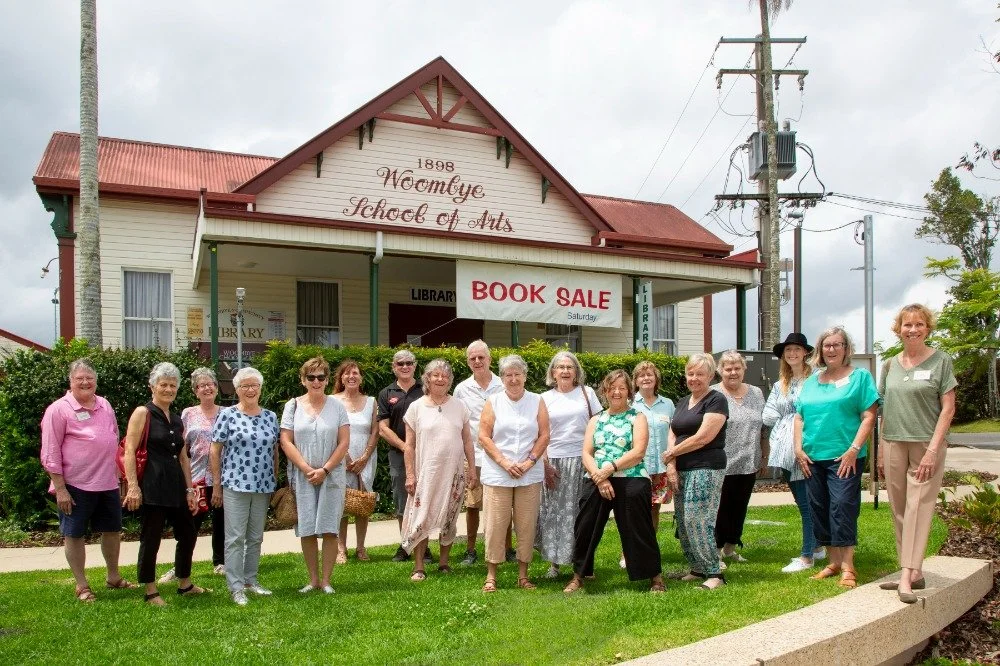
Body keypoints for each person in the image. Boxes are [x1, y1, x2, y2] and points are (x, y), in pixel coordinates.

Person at [877, 305, 957, 603]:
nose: (913, 329)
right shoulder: (889, 365)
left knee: (917, 508)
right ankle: (914, 573)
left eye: (919, 324)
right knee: (898, 508)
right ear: (898, 328)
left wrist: (933, 451)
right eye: (907, 324)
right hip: (894, 442)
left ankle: (907, 575)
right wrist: (881, 451)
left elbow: (948, 408)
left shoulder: (941, 361)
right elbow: (884, 409)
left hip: (926, 444)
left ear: (928, 328)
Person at [40, 358, 135, 602]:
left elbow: (114, 440)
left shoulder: (104, 404)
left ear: (96, 381)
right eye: (79, 378)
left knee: (112, 531)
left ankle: (113, 577)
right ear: (70, 382)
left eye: (89, 378)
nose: (85, 382)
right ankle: (81, 585)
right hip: (75, 485)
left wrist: (120, 476)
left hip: (107, 482)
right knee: (74, 534)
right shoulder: (58, 409)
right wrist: (60, 489)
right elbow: (50, 453)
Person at [563, 370, 666, 594]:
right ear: (605, 391)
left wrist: (611, 468)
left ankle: (655, 577)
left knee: (639, 527)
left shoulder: (637, 417)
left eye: (622, 387)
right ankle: (580, 574)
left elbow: (638, 452)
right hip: (598, 478)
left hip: (631, 476)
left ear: (629, 391)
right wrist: (600, 478)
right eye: (612, 388)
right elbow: (587, 453)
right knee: (585, 526)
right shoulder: (596, 419)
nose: (616, 392)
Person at [795, 326, 879, 590]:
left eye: (837, 344)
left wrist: (854, 449)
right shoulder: (811, 381)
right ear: (820, 350)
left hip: (845, 457)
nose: (831, 349)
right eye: (826, 345)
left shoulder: (860, 378)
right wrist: (798, 449)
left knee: (842, 505)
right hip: (812, 457)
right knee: (818, 507)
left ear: (846, 348)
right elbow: (799, 417)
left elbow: (869, 416)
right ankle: (832, 562)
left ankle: (848, 566)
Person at [122, 362, 205, 606]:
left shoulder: (177, 419)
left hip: (177, 485)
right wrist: (133, 486)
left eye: (172, 385)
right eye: (163, 385)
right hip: (152, 485)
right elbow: (129, 449)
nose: (168, 389)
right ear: (153, 387)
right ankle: (150, 591)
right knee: (152, 537)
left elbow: (183, 457)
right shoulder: (143, 413)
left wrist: (190, 490)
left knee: (188, 532)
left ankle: (184, 583)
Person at [478, 354, 550, 592]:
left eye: (517, 374)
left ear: (525, 376)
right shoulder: (493, 401)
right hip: (498, 473)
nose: (513, 379)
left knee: (526, 525)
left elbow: (544, 435)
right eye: (508, 375)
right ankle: (491, 576)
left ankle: (523, 575)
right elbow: (484, 436)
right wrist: (504, 462)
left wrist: (529, 462)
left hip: (529, 474)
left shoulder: (537, 400)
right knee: (495, 525)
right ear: (502, 378)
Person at [401, 359, 478, 580]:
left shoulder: (460, 406)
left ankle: (444, 563)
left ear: (450, 380)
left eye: (445, 375)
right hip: (426, 473)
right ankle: (419, 567)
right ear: (427, 378)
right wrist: (410, 474)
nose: (440, 378)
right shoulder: (416, 407)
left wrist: (471, 469)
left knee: (449, 518)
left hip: (453, 474)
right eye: (435, 375)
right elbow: (410, 445)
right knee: (422, 517)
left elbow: (467, 442)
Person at [280, 357, 350, 594]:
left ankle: (327, 580)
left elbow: (344, 443)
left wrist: (325, 469)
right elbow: (286, 441)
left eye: (321, 377)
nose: (316, 381)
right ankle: (313, 580)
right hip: (303, 475)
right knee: (307, 527)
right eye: (311, 377)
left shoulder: (338, 407)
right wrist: (306, 468)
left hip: (332, 475)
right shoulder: (293, 406)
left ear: (328, 380)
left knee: (330, 527)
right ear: (303, 380)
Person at [211, 366, 280, 606]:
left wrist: (275, 477)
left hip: (263, 485)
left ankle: (251, 580)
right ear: (237, 390)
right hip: (235, 484)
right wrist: (217, 486)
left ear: (260, 389)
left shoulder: (270, 416)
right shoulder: (227, 415)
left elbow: (274, 450)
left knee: (255, 536)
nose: (250, 390)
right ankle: (235, 586)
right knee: (235, 537)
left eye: (254, 386)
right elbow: (215, 449)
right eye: (245, 386)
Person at [662, 353, 729, 590]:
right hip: (682, 467)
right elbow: (672, 432)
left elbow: (703, 437)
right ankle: (697, 567)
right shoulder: (682, 401)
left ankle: (714, 573)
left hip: (706, 466)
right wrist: (671, 463)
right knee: (683, 519)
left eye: (700, 374)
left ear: (711, 376)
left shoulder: (716, 400)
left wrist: (672, 454)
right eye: (690, 373)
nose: (694, 378)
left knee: (698, 519)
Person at [763, 333, 826, 573]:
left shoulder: (816, 379)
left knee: (807, 502)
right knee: (802, 499)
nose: (792, 354)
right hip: (785, 449)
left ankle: (807, 555)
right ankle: (818, 546)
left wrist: (789, 417)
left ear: (805, 352)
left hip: (807, 445)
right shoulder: (781, 384)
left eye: (796, 349)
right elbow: (767, 414)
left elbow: (817, 410)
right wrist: (786, 418)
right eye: (788, 350)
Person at [537, 350, 602, 578]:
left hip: (582, 460)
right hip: (554, 462)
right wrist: (544, 464)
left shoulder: (587, 393)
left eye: (570, 367)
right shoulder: (544, 398)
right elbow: (540, 433)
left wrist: (594, 460)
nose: (565, 371)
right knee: (554, 513)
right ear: (553, 372)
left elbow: (598, 425)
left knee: (582, 513)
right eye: (560, 367)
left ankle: (584, 564)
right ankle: (554, 564)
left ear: (576, 372)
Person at [160, 367, 225, 584]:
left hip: (222, 478)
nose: (207, 388)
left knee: (221, 523)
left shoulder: (228, 413)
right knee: (190, 525)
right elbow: (181, 446)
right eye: (201, 385)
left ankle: (220, 563)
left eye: (210, 384)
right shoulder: (188, 414)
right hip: (196, 477)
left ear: (216, 388)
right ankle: (180, 567)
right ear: (195, 391)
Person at [452, 340, 505, 566]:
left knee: (504, 503)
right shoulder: (461, 389)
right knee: (473, 504)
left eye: (481, 357)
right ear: (468, 362)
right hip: (473, 456)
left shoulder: (504, 385)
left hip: (501, 455)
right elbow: (458, 424)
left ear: (489, 359)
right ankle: (471, 549)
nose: (477, 361)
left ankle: (506, 548)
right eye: (472, 358)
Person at [711, 351, 766, 566]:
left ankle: (730, 548)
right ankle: (714, 550)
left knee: (739, 506)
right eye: (728, 368)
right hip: (721, 461)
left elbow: (763, 428)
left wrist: (764, 454)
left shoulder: (756, 393)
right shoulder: (713, 394)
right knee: (720, 508)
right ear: (720, 371)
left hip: (749, 461)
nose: (733, 372)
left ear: (744, 369)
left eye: (737, 368)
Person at [377, 349, 431, 563]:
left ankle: (424, 548)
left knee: (424, 500)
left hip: (426, 454)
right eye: (400, 364)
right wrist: (405, 447)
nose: (405, 366)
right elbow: (383, 428)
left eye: (409, 363)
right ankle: (405, 545)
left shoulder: (425, 390)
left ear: (415, 366)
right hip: (399, 455)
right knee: (402, 501)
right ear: (394, 367)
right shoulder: (386, 393)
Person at [629, 360, 675, 568]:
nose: (646, 378)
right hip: (638, 468)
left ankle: (649, 549)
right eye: (641, 375)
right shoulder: (630, 406)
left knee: (654, 510)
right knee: (634, 511)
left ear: (656, 379)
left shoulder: (668, 404)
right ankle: (626, 552)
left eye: (650, 374)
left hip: (661, 467)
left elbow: (674, 433)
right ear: (635, 381)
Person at [332, 359, 379, 563]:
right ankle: (341, 548)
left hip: (366, 458)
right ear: (341, 378)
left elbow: (375, 431)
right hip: (340, 457)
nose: (351, 377)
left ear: (361, 378)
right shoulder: (332, 401)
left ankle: (361, 547)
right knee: (341, 504)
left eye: (355, 373)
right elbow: (331, 431)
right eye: (347, 373)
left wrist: (364, 457)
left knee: (363, 503)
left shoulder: (371, 401)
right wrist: (347, 457)